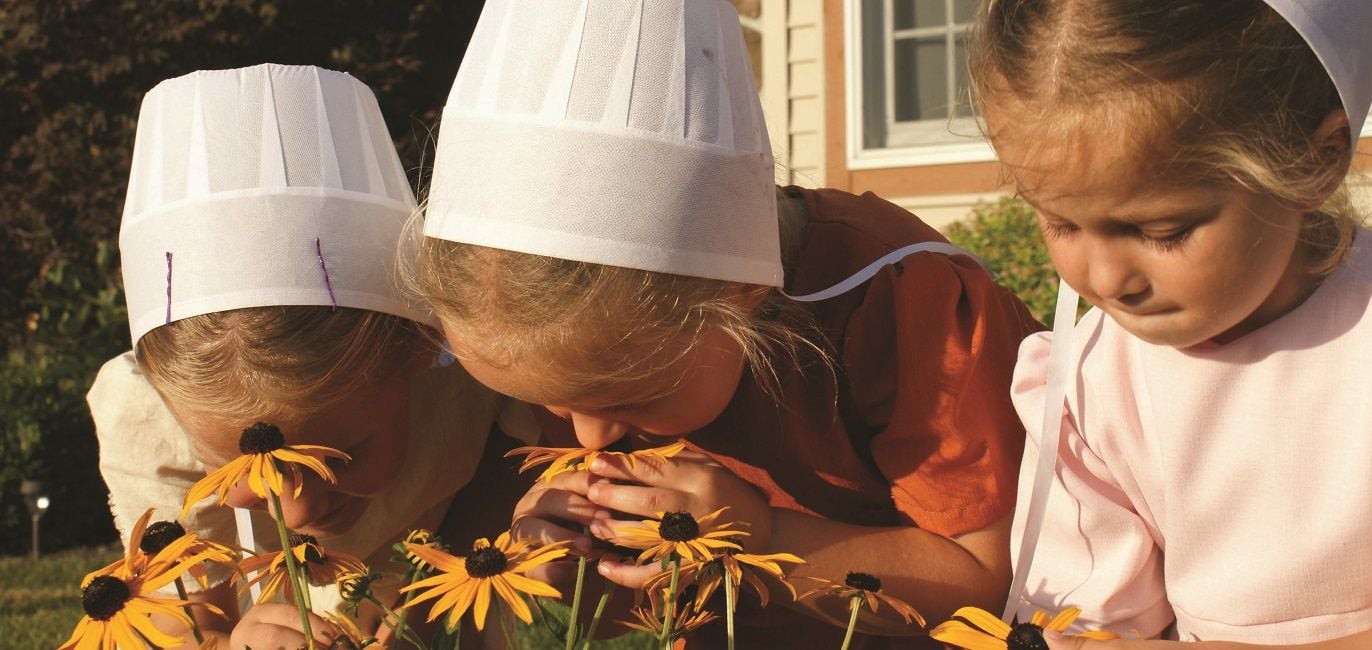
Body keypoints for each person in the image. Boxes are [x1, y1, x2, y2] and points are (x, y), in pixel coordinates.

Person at [411, 0, 1042, 647]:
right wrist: (567, 551)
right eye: (550, 404)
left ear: (742, 291)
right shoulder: (612, 352)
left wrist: (759, 537)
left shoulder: (909, 311)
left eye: (628, 397)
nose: (590, 439)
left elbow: (982, 581)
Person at [968, 1, 1372, 648]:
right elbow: (1087, 618)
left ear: (1316, 161)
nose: (1107, 279)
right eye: (1060, 222)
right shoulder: (1089, 376)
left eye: (1161, 230)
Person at [89, 63, 529, 648]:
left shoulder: (478, 372)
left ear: (420, 347)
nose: (296, 516)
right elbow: (184, 624)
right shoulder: (151, 424)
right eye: (237, 470)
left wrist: (423, 619)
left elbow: (505, 501)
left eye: (339, 455)